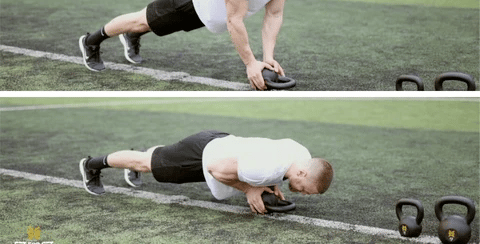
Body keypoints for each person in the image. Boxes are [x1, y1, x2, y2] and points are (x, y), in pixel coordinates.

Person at [78, 0, 317, 90]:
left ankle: (132, 36)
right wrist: (250, 64)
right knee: (142, 20)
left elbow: (274, 14)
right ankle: (91, 40)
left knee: (156, 26)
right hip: (189, 0)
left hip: (207, 14)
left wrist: (268, 58)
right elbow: (235, 20)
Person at [79, 130, 334, 214]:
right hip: (204, 156)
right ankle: (92, 164)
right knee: (147, 163)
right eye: (306, 190)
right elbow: (216, 170)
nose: (304, 194)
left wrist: (273, 183)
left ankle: (144, 159)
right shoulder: (263, 168)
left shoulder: (302, 156)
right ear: (301, 173)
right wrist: (248, 189)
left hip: (222, 142)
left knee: (155, 159)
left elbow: (273, 164)